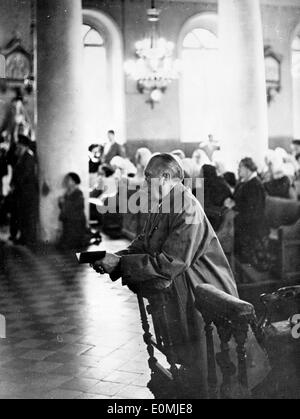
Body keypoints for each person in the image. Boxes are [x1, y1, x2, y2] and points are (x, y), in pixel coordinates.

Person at [92, 153, 238, 397]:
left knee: (205, 369)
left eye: (148, 178)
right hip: (182, 286)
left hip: (205, 291)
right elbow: (144, 243)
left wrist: (119, 265)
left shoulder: (187, 206)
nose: (144, 183)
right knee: (190, 363)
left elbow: (170, 263)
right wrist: (116, 257)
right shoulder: (165, 202)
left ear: (166, 177)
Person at [233, 157, 269, 271]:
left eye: (240, 167)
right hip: (247, 218)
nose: (238, 170)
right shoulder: (244, 182)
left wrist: (234, 208)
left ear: (248, 168)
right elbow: (239, 200)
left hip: (254, 222)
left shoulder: (255, 184)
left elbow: (252, 210)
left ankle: (244, 266)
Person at [9, 134, 38, 246]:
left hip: (28, 192)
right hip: (22, 192)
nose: (17, 148)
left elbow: (24, 175)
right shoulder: (22, 157)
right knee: (23, 215)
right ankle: (23, 238)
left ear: (24, 146)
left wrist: (15, 185)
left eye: (19, 146)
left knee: (28, 216)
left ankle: (27, 239)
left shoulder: (29, 157)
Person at [58, 173, 89, 250]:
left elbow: (77, 206)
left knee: (71, 244)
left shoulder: (78, 193)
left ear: (74, 182)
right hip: (69, 220)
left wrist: (64, 202)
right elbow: (63, 207)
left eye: (69, 180)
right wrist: (61, 202)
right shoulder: (67, 193)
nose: (67, 182)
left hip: (76, 220)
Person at [201, 164, 233, 231]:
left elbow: (202, 207)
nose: (199, 175)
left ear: (205, 174)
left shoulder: (204, 185)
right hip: (221, 222)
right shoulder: (223, 183)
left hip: (209, 221)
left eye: (201, 173)